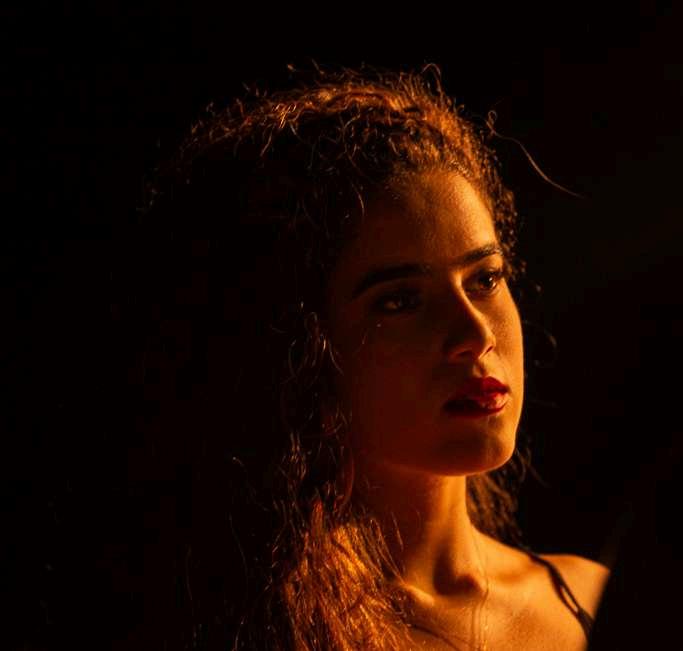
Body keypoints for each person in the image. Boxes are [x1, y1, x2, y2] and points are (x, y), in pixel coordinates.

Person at [131, 65, 609, 650]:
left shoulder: (597, 601)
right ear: (298, 349)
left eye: (484, 279)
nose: (474, 333)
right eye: (401, 301)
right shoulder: (244, 631)